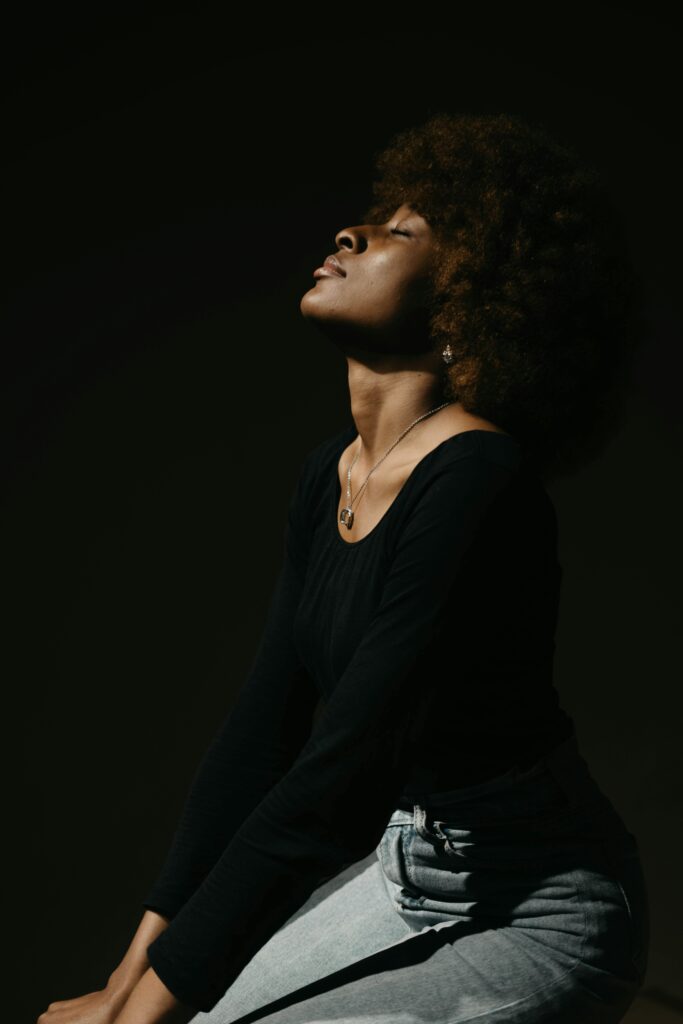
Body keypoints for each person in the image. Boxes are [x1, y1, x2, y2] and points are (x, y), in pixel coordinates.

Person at [38, 112, 650, 1024]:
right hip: (405, 877)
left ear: (470, 301)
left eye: (403, 232)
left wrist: (147, 1014)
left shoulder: (477, 480)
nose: (350, 234)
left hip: (538, 912)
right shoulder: (333, 471)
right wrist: (127, 981)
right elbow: (262, 734)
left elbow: (342, 774)